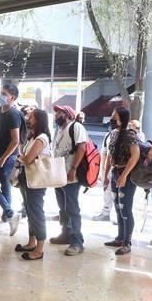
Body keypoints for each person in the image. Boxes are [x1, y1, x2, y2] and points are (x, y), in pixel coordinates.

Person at [50, 105, 89, 255]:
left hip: (71, 175)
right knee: (63, 208)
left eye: (59, 112)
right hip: (59, 175)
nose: (56, 115)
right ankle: (65, 234)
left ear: (66, 114)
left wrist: (73, 169)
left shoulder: (76, 127)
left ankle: (77, 242)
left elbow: (81, 148)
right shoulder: (59, 130)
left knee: (72, 209)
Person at [16, 108, 52, 261]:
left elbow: (28, 159)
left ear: (38, 120)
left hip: (36, 181)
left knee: (36, 213)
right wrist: (22, 156)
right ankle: (31, 242)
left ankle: (39, 249)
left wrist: (20, 157)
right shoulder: (32, 137)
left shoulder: (41, 138)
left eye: (30, 117)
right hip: (27, 179)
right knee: (30, 211)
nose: (27, 119)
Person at [0, 83, 22, 234]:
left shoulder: (13, 114)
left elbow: (15, 140)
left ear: (12, 97)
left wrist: (3, 158)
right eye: (1, 93)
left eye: (4, 94)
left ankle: (8, 216)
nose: (1, 96)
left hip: (8, 157)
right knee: (0, 186)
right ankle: (8, 217)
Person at [105, 107, 140, 256]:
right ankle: (120, 238)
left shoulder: (130, 135)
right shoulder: (113, 134)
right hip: (115, 172)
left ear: (123, 119)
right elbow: (109, 155)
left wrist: (124, 175)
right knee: (118, 207)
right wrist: (106, 174)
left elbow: (135, 155)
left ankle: (127, 242)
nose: (112, 119)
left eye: (115, 117)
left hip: (126, 174)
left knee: (125, 208)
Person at [93, 123, 118, 223]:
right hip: (108, 169)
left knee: (117, 193)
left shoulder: (125, 136)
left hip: (118, 170)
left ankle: (117, 215)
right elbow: (104, 153)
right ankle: (106, 212)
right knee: (107, 191)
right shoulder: (108, 135)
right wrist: (102, 171)